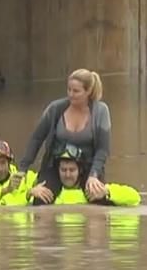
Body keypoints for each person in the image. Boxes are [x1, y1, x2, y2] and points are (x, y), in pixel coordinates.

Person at [18, 68, 112, 205]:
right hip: (56, 166)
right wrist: (23, 169)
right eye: (69, 90)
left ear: (88, 91)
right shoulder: (55, 109)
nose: (71, 95)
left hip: (88, 167)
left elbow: (102, 150)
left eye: (76, 91)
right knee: (41, 199)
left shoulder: (101, 111)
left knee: (99, 200)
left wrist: (94, 175)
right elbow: (36, 139)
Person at [27, 144, 141, 206]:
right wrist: (29, 193)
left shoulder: (93, 192)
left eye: (72, 170)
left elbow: (135, 198)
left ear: (80, 171)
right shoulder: (45, 193)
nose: (67, 174)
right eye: (63, 170)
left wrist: (107, 192)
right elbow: (12, 203)